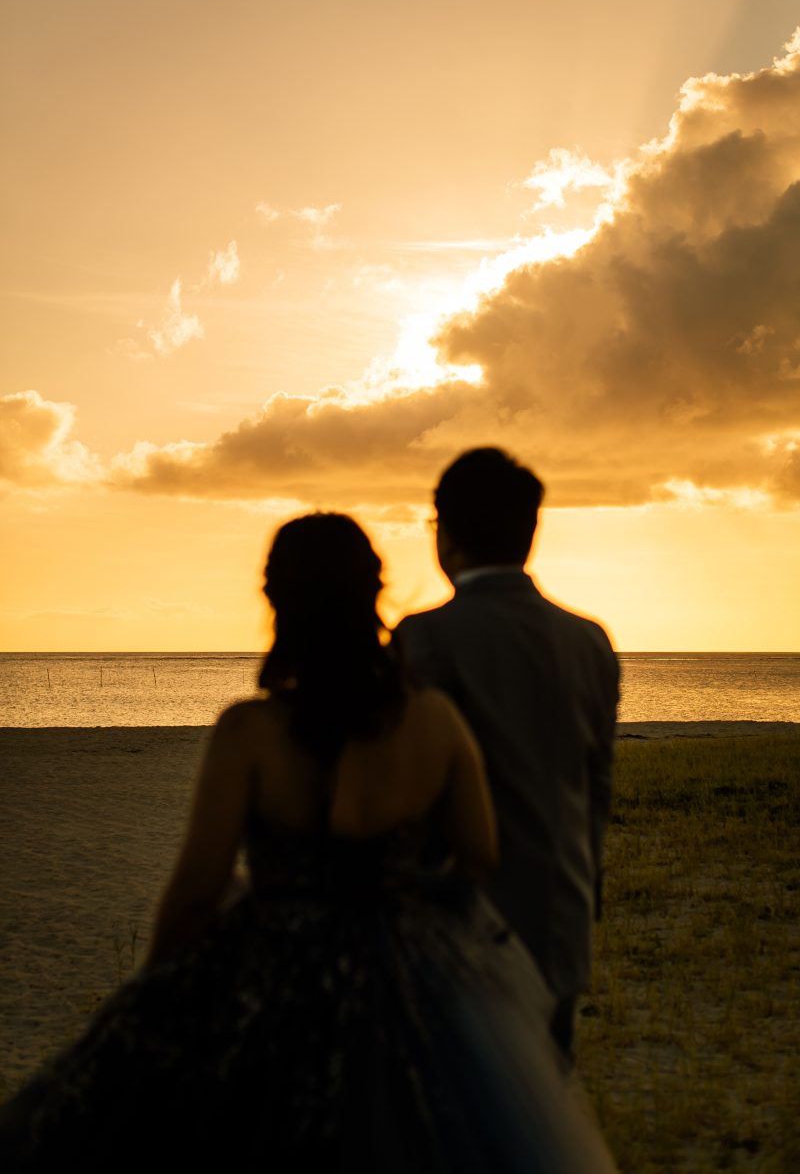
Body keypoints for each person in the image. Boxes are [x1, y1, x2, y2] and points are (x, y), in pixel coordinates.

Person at [0, 513, 617, 1174]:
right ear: (373, 595)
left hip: (266, 966)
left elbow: (198, 889)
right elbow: (480, 856)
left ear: (276, 601)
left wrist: (153, 986)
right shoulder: (433, 722)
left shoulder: (248, 733)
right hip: (403, 972)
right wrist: (412, 909)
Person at [396, 449, 619, 1065]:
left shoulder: (425, 636)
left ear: (447, 531)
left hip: (460, 925)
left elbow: (409, 791)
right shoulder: (589, 640)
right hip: (561, 916)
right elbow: (596, 789)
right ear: (530, 531)